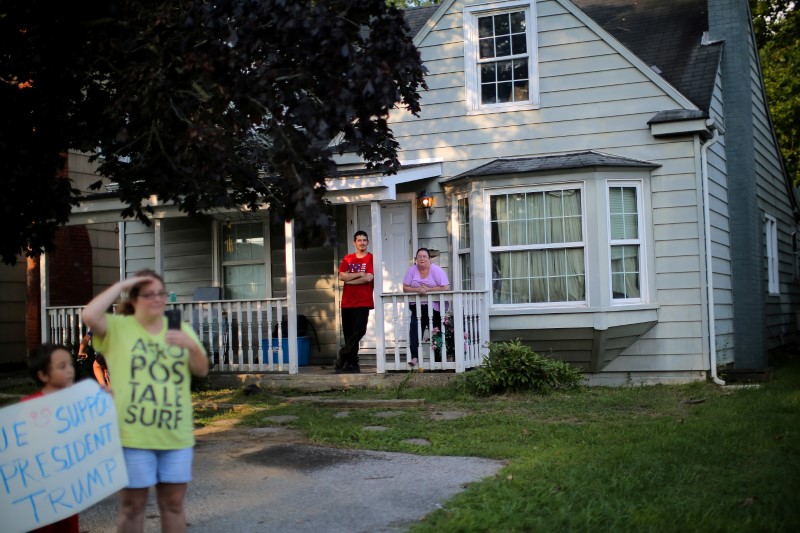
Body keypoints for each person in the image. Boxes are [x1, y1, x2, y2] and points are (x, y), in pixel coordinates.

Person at [82, 270, 209, 533]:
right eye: (148, 294)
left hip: (175, 435)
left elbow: (201, 369)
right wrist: (121, 284)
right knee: (132, 508)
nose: (157, 299)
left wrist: (192, 346)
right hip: (132, 436)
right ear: (134, 298)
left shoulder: (179, 328)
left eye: (161, 293)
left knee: (173, 506)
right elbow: (90, 315)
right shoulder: (117, 328)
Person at [22, 343, 80, 533]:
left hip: (69, 487)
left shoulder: (81, 403)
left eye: (70, 364)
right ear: (43, 375)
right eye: (62, 366)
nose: (70, 370)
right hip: (38, 491)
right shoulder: (28, 407)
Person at [402, 247, 450, 366]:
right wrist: (417, 289)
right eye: (419, 256)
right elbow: (405, 287)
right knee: (414, 330)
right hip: (417, 307)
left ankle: (439, 359)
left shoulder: (436, 270)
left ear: (429, 259)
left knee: (436, 332)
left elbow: (445, 287)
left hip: (434, 308)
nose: (422, 259)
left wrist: (429, 290)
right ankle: (414, 357)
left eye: (424, 257)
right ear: (416, 259)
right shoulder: (412, 270)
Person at [336, 230, 374, 373]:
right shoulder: (348, 258)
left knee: (359, 331)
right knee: (349, 334)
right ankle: (351, 364)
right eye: (359, 240)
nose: (362, 243)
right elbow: (341, 276)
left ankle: (343, 354)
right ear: (354, 242)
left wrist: (350, 280)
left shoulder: (371, 258)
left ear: (368, 242)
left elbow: (368, 278)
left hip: (363, 301)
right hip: (347, 302)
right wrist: (358, 274)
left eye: (364, 240)